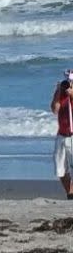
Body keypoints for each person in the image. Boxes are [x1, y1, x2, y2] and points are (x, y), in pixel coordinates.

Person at [50, 70, 73, 198]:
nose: (68, 83)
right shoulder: (61, 93)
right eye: (67, 81)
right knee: (60, 169)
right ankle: (70, 193)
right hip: (62, 135)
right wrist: (58, 92)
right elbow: (55, 109)